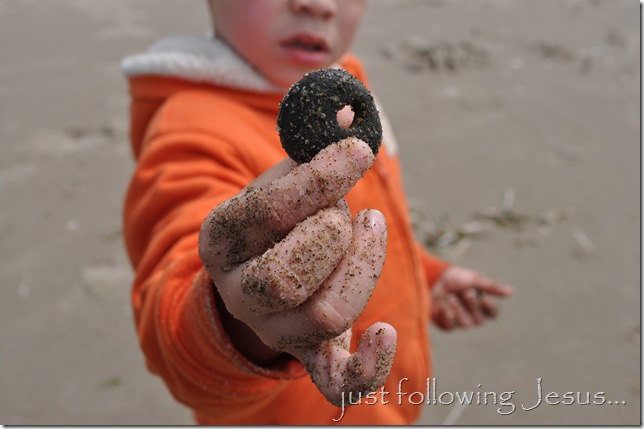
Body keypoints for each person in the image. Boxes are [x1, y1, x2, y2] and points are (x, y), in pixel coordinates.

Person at [121, 0, 513, 424]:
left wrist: (426, 275)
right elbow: (174, 303)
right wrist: (239, 323)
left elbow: (370, 221)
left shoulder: (348, 84)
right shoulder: (193, 132)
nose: (319, 4)